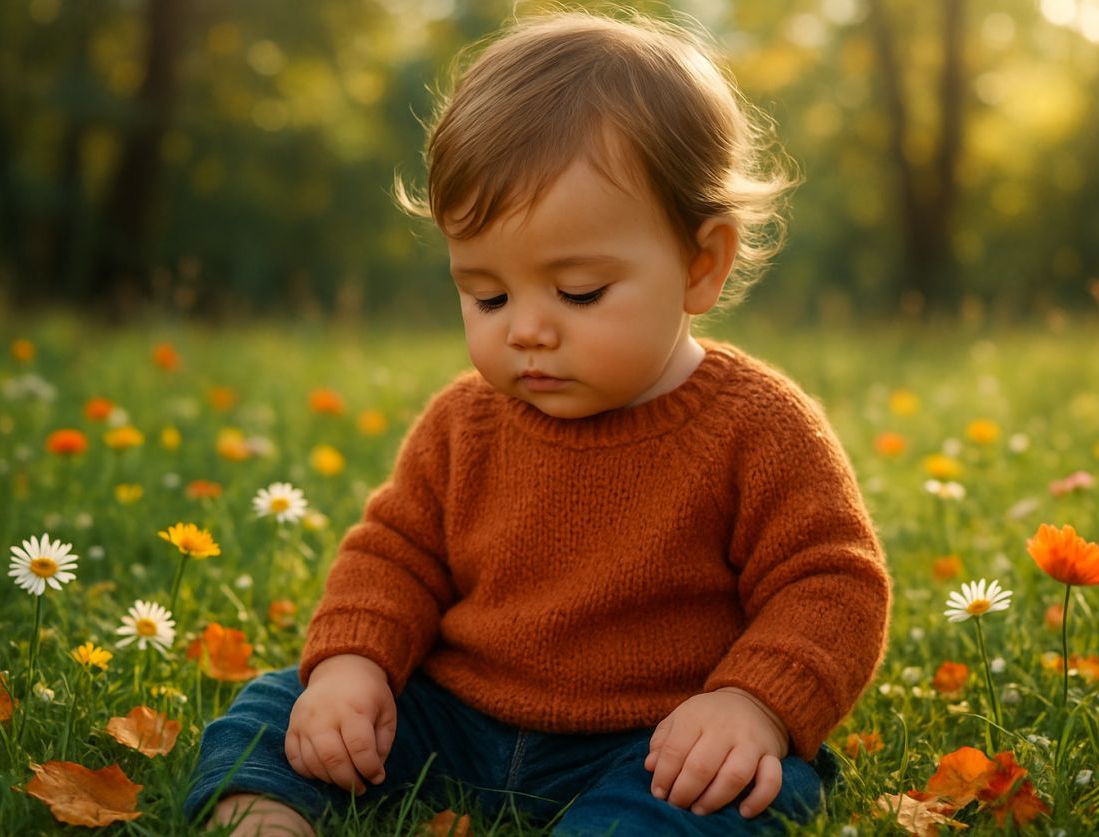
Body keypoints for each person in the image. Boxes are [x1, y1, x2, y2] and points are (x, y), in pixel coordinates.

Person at [185, 9, 889, 836]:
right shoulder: (466, 420)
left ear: (702, 264)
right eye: (487, 294)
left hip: (656, 736)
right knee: (281, 702)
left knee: (739, 785)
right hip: (456, 717)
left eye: (579, 291)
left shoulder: (757, 426)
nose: (524, 328)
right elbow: (397, 551)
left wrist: (751, 703)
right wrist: (353, 665)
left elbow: (832, 582)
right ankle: (265, 815)